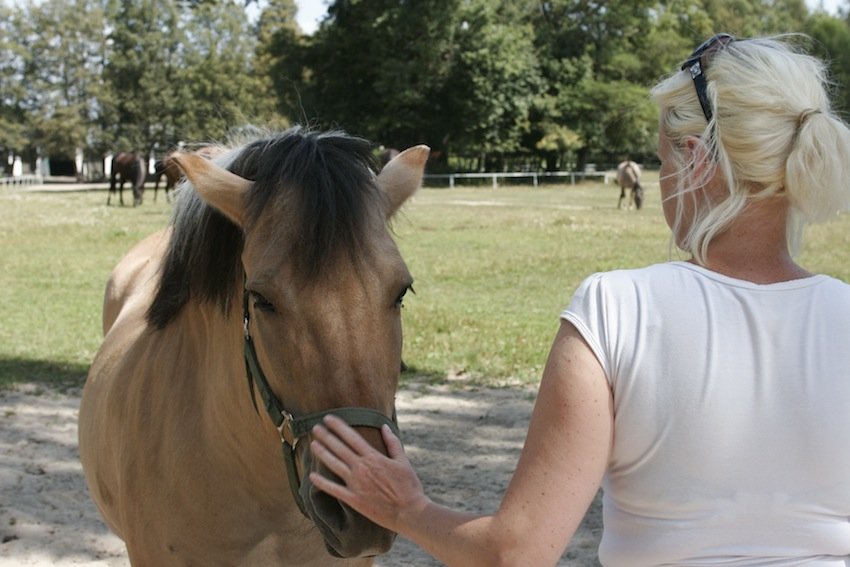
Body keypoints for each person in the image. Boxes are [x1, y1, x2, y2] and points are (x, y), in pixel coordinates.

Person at [309, 34, 850, 566]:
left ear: (696, 160)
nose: (662, 182)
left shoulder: (619, 309)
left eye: (663, 162)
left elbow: (514, 553)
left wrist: (406, 507)